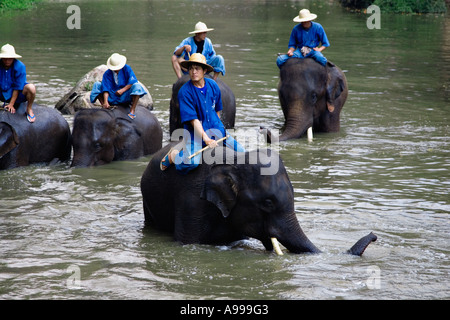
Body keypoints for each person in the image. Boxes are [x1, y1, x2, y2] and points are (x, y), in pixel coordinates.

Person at [161, 53, 244, 174]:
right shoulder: (184, 92)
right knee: (191, 162)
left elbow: (217, 110)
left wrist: (217, 129)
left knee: (242, 152)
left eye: (197, 68)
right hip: (195, 134)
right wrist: (206, 139)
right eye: (191, 68)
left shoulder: (213, 86)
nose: (193, 72)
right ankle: (173, 156)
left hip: (217, 130)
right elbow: (193, 120)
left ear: (204, 70)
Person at [90, 53, 147, 120]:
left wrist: (122, 90)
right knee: (97, 85)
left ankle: (132, 110)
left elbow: (132, 80)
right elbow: (106, 88)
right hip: (112, 95)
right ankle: (104, 106)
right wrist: (106, 101)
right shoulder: (107, 73)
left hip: (125, 95)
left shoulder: (127, 68)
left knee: (137, 86)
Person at [0, 44, 36, 123]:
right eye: (5, 59)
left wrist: (11, 104)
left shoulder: (20, 66)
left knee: (31, 88)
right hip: (2, 92)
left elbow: (17, 87)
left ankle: (29, 109)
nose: (7, 61)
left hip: (16, 93)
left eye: (9, 59)